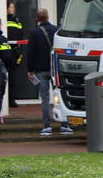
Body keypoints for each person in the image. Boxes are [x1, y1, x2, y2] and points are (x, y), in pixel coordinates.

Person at [26, 8, 72, 136]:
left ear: (37, 18)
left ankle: (47, 126)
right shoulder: (57, 30)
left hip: (41, 70)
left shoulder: (34, 32)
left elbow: (30, 53)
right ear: (48, 17)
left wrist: (29, 69)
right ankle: (64, 125)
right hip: (55, 69)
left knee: (44, 98)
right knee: (60, 97)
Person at [5, 2, 24, 107]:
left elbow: (20, 36)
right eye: (11, 7)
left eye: (13, 7)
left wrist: (19, 52)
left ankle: (11, 99)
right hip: (6, 51)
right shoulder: (4, 19)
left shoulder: (17, 20)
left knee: (13, 77)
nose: (13, 9)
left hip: (15, 52)